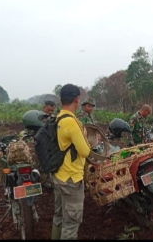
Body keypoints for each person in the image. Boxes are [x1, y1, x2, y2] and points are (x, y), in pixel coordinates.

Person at [51, 84, 92, 240]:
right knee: (71, 223)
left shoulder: (58, 118)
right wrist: (85, 135)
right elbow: (85, 151)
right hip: (71, 180)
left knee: (59, 216)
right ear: (77, 99)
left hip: (58, 175)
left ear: (61, 100)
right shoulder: (71, 122)